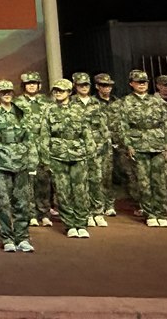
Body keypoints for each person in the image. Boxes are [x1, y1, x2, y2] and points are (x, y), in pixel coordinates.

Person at [0, 80, 39, 252]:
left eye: (9, 91)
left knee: (22, 202)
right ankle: (7, 238)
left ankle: (22, 237)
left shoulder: (21, 112)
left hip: (21, 163)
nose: (7, 94)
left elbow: (30, 139)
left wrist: (32, 162)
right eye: (3, 92)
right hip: (1, 163)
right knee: (3, 203)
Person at [113, 69, 167, 227]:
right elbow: (122, 126)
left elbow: (165, 124)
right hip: (138, 144)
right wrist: (128, 145)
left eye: (144, 82)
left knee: (160, 181)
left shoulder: (156, 101)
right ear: (131, 84)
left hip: (158, 144)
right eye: (138, 82)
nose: (142, 85)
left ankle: (161, 213)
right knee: (143, 182)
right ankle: (150, 213)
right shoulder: (126, 102)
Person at [39, 79, 94, 238]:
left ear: (69, 92)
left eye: (61, 91)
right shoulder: (49, 110)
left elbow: (87, 132)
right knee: (62, 192)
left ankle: (81, 223)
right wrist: (45, 158)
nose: (58, 93)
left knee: (81, 191)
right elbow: (44, 135)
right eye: (56, 90)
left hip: (78, 154)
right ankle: (69, 224)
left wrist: (90, 153)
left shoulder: (79, 109)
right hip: (57, 155)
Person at [72, 72, 110, 227]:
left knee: (96, 180)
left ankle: (98, 211)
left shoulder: (96, 103)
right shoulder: (70, 103)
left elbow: (103, 126)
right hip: (78, 147)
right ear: (75, 86)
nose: (84, 88)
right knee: (81, 181)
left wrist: (104, 144)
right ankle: (85, 212)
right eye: (81, 85)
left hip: (97, 147)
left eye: (86, 85)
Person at [15, 72, 52, 227]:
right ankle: (30, 214)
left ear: (39, 85)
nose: (31, 86)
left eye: (34, 83)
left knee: (43, 180)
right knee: (27, 181)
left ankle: (44, 212)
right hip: (25, 145)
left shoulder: (47, 102)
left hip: (43, 144)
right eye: (28, 83)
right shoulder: (17, 103)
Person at [92, 73, 119, 217]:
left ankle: (110, 204)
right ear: (97, 86)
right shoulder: (93, 103)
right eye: (103, 85)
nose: (107, 88)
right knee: (99, 174)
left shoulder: (117, 102)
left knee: (110, 176)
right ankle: (100, 204)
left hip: (117, 143)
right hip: (99, 142)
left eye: (109, 85)